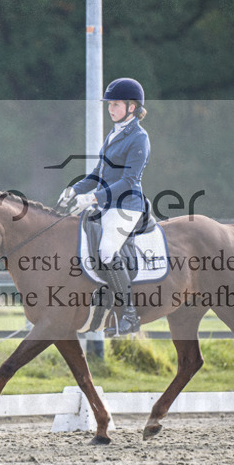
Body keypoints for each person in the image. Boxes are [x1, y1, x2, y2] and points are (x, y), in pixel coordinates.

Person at [57, 77, 150, 336]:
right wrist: (74, 189)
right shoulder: (114, 133)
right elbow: (98, 173)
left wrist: (94, 198)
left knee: (107, 251)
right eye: (109, 104)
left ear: (132, 107)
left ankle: (129, 315)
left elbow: (128, 181)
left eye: (116, 104)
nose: (110, 108)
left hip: (127, 206)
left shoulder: (139, 138)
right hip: (105, 203)